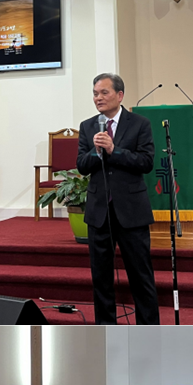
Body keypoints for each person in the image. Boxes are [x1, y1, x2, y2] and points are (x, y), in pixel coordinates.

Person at [77, 69, 160, 324]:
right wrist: (96, 151)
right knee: (101, 278)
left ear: (120, 95)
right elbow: (81, 165)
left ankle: (148, 331)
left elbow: (146, 162)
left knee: (141, 276)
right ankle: (105, 330)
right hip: (99, 212)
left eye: (104, 92)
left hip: (131, 212)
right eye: (95, 94)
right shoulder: (88, 126)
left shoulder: (140, 124)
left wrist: (114, 150)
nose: (98, 98)